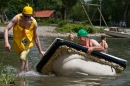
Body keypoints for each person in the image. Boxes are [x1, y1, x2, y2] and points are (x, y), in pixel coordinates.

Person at [4, 4, 45, 73]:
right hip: (17, 43)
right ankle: (29, 72)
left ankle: (20, 76)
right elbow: (6, 29)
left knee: (22, 57)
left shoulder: (34, 23)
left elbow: (36, 38)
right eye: (25, 16)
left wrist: (40, 51)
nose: (27, 18)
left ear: (32, 15)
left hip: (27, 43)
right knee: (24, 60)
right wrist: (6, 42)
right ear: (22, 13)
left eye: (29, 16)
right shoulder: (17, 18)